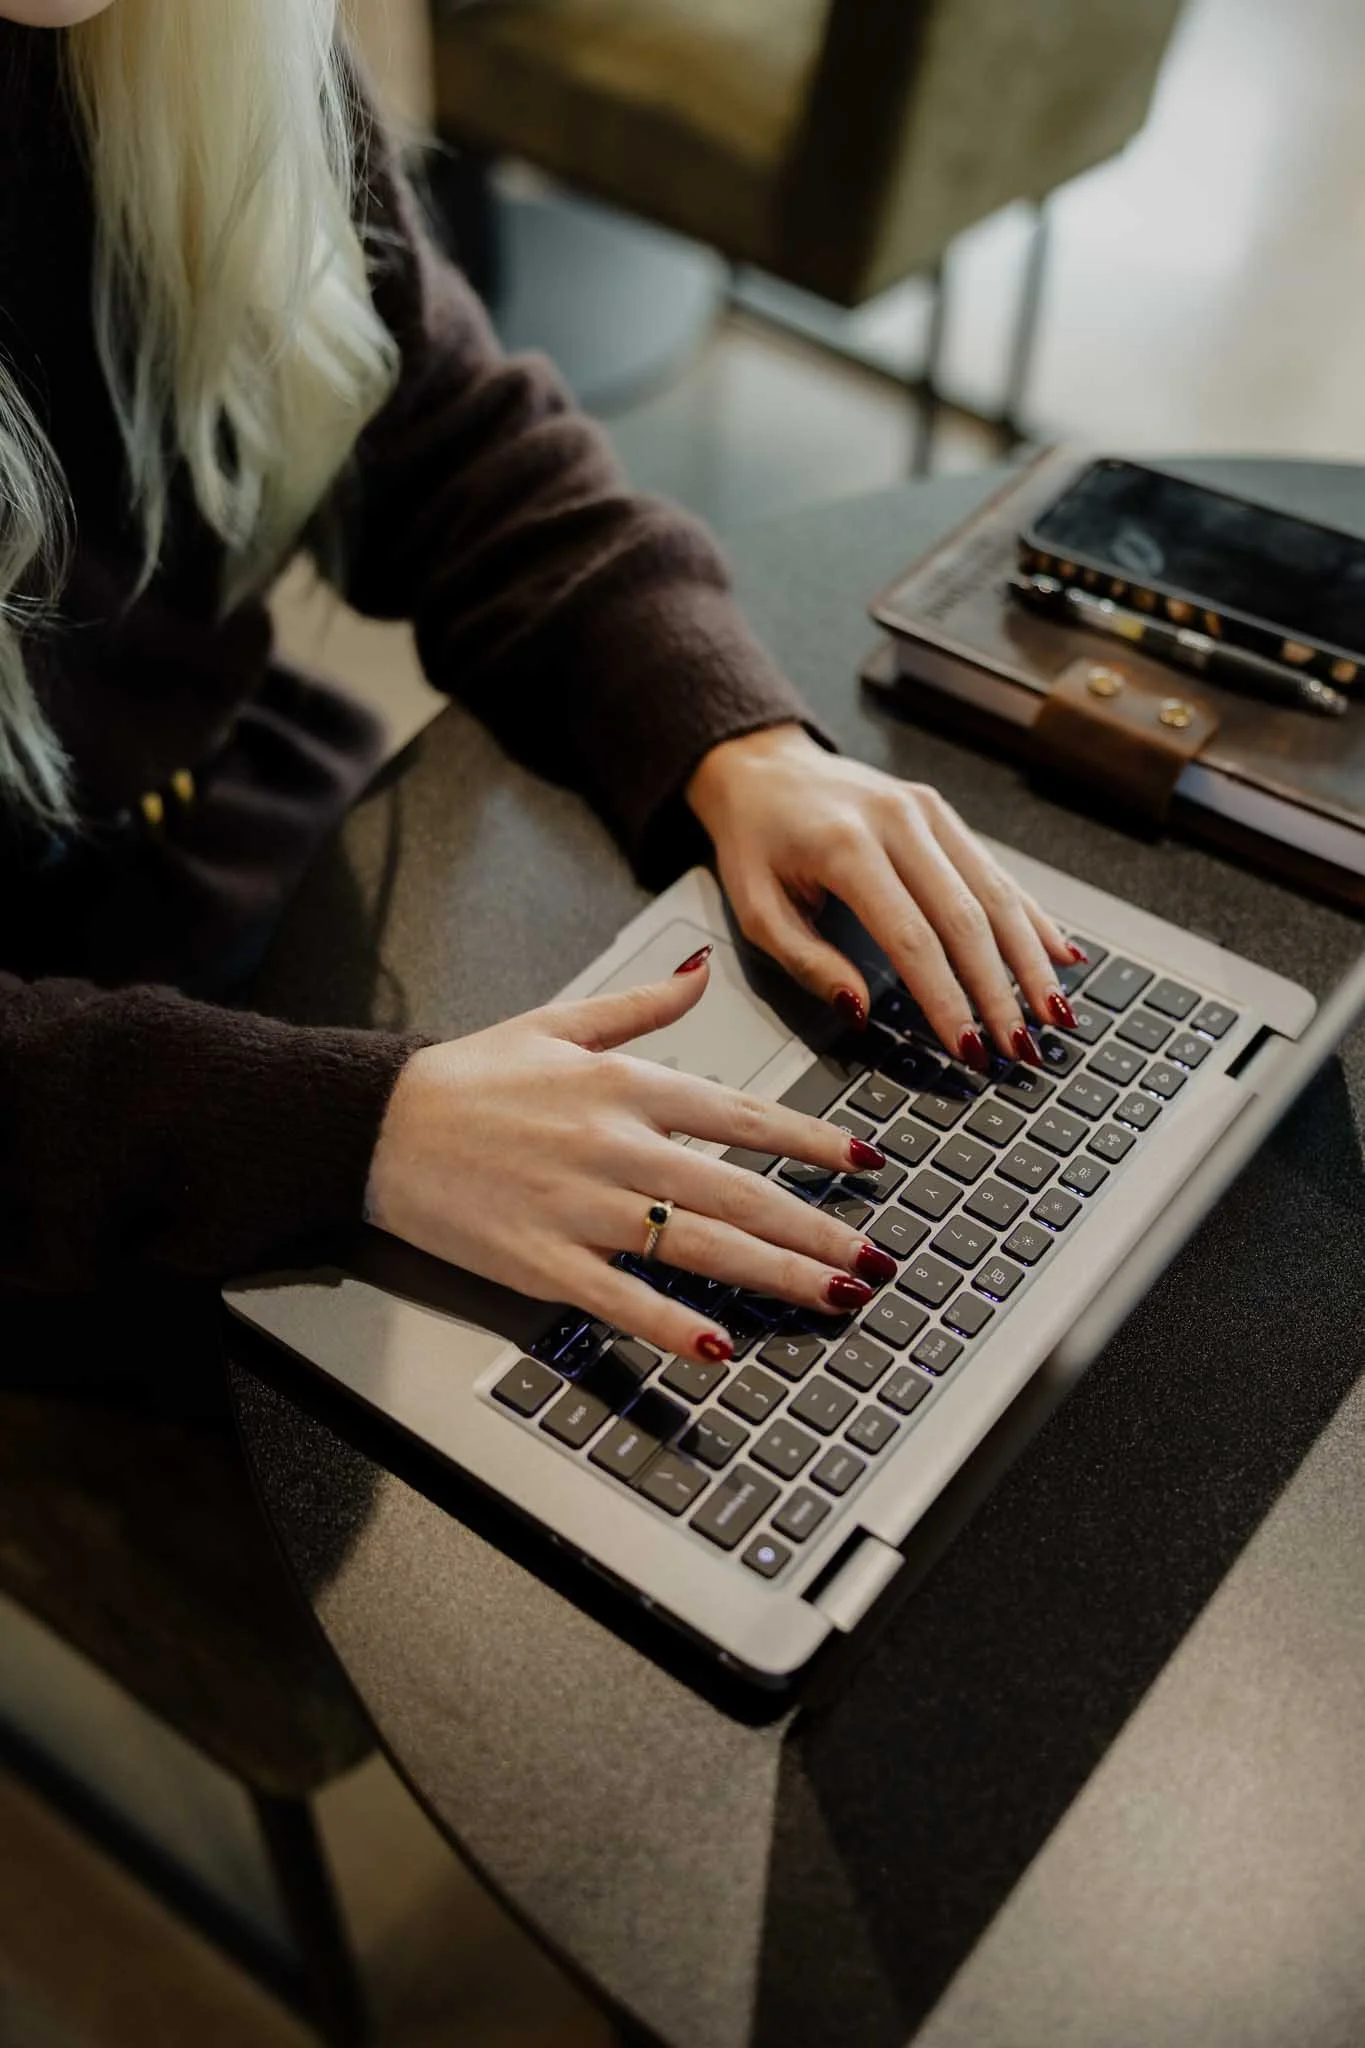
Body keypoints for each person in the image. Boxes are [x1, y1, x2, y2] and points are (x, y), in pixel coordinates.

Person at [0, 0, 1082, 1378]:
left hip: (230, 853)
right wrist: (360, 1134)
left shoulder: (191, 37)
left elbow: (443, 431)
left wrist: (736, 737)